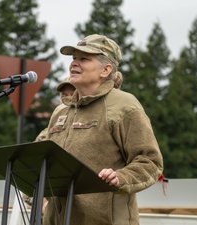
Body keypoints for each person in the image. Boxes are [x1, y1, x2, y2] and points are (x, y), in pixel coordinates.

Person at [42, 34, 163, 225]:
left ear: (106, 70)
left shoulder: (124, 105)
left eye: (84, 59)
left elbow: (150, 161)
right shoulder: (60, 112)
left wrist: (121, 177)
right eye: (73, 58)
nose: (74, 63)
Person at [34, 77, 76, 142]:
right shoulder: (46, 133)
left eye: (73, 95)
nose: (68, 99)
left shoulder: (85, 126)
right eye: (64, 96)